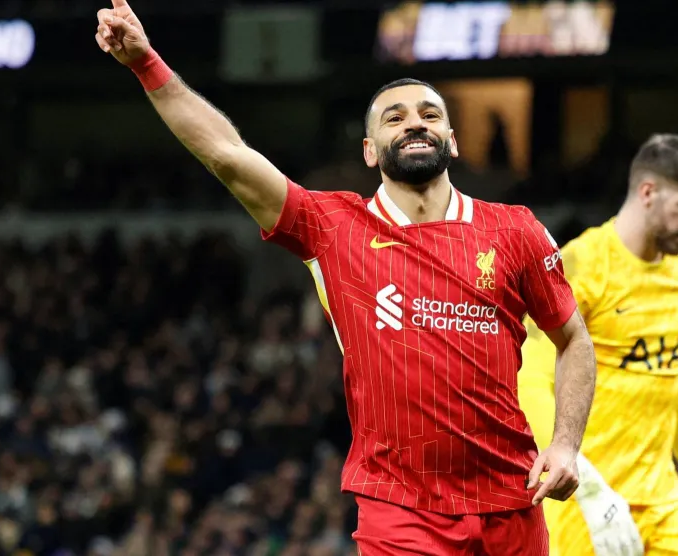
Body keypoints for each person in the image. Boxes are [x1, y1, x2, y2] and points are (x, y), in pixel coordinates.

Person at [94, 2, 598, 554]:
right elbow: (228, 155)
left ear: (452, 140)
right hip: (401, 510)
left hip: (512, 502)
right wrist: (147, 64)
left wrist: (566, 445)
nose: (414, 124)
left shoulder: (514, 229)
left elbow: (573, 339)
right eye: (395, 117)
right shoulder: (333, 227)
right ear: (369, 149)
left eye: (429, 115)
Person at [518, 134, 678, 556]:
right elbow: (527, 378)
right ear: (648, 192)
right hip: (585, 501)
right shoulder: (579, 265)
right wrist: (590, 491)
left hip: (662, 502)